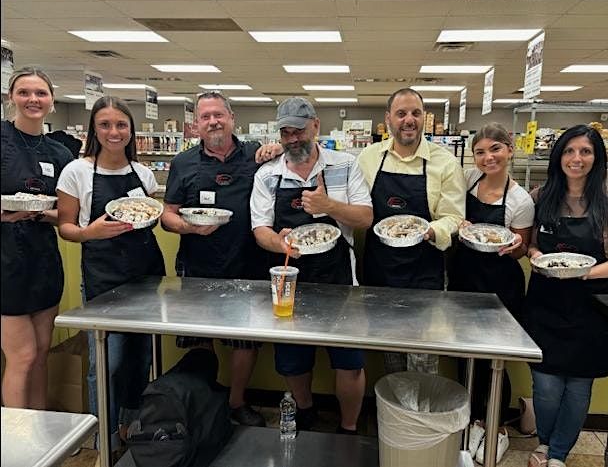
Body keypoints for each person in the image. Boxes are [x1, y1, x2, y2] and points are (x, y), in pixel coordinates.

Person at [251, 97, 373, 434]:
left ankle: (349, 427)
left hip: (340, 281)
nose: (293, 138)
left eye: (299, 130)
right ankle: (305, 411)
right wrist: (279, 242)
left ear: (316, 126)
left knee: (349, 363)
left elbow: (365, 217)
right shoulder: (268, 174)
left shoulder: (345, 164)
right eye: (286, 132)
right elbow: (260, 229)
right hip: (289, 280)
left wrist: (328, 205)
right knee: (292, 360)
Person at [161, 91, 280, 427]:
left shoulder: (257, 154)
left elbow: (296, 150)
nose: (212, 121)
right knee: (200, 338)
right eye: (205, 117)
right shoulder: (183, 163)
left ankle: (236, 402)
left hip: (248, 261)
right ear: (196, 124)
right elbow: (167, 215)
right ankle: (206, 401)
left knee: (246, 339)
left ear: (232, 118)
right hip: (198, 263)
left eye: (219, 115)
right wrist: (188, 227)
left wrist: (281, 146)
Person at [523, 125, 608, 467]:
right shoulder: (539, 197)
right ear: (558, 156)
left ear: (597, 158)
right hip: (545, 303)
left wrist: (581, 271)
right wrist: (533, 256)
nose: (577, 159)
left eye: (585, 152)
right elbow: (531, 244)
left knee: (577, 388)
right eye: (570, 151)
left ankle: (557, 453)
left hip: (592, 306)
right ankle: (544, 443)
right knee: (544, 386)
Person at [56, 96, 166, 446]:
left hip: (146, 275)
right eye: (105, 125)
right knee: (107, 361)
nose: (114, 132)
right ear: (94, 129)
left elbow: (149, 213)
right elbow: (66, 227)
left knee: (140, 357)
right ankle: (102, 432)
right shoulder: (77, 171)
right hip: (103, 278)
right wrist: (91, 232)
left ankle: (130, 426)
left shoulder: (143, 173)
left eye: (121, 125)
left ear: (131, 130)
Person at [357, 88, 465, 374]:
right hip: (380, 271)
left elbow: (453, 217)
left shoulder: (446, 163)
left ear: (424, 118)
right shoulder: (368, 157)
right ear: (388, 119)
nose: (409, 120)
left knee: (423, 358)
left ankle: (421, 417)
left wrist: (426, 231)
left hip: (423, 273)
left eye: (416, 113)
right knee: (389, 354)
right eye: (401, 113)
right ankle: (396, 417)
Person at [446, 123, 535, 463]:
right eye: (480, 151)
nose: (488, 157)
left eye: (495, 149)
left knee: (494, 359)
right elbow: (452, 214)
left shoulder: (519, 199)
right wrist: (458, 224)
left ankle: (496, 426)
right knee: (463, 355)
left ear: (510, 150)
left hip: (501, 284)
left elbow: (520, 248)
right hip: (464, 277)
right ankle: (469, 421)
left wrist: (514, 245)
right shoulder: (468, 180)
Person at [1, 66, 73, 409]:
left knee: (42, 352)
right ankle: (17, 445)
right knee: (23, 356)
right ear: (11, 97)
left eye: (41, 93)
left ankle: (42, 432)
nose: (33, 99)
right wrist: (8, 214)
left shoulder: (60, 154)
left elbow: (70, 215)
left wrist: (41, 214)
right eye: (25, 92)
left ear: (52, 101)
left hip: (43, 262)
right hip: (5, 265)